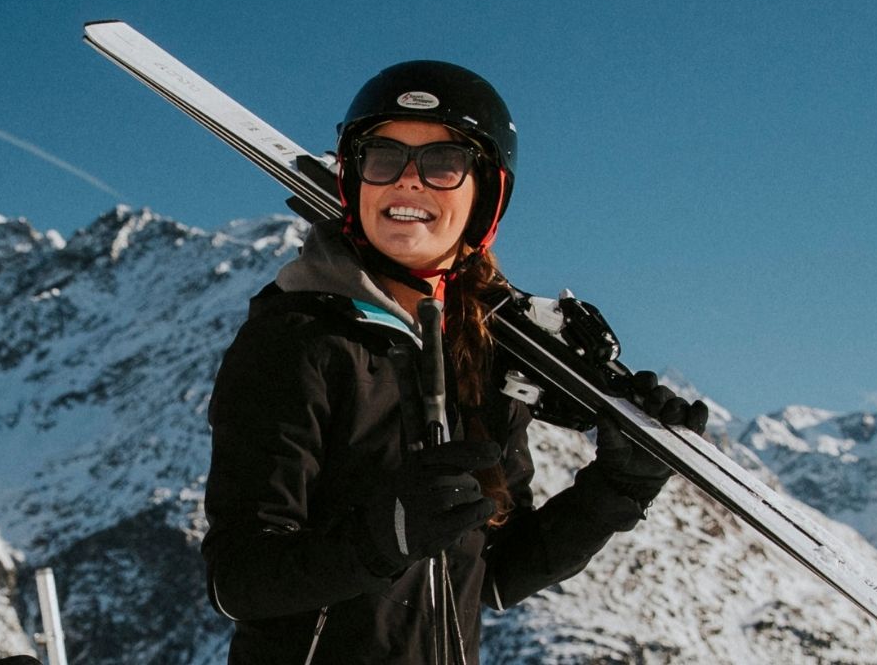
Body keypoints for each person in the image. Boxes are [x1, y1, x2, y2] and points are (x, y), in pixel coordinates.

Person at [201, 61, 712, 664]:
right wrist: (380, 538)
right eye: (383, 156)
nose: (408, 182)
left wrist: (616, 488)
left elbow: (494, 574)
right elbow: (239, 581)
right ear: (354, 179)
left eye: (443, 163)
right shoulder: (297, 340)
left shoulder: (481, 355)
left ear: (483, 196)